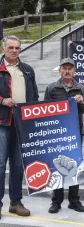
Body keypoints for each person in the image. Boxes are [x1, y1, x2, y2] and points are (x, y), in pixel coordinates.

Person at [45, 58, 84, 214]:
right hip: (57, 134)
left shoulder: (80, 88)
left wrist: (82, 101)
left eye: (70, 68)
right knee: (57, 165)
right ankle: (56, 201)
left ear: (74, 71)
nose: (67, 71)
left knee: (75, 165)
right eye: (64, 68)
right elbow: (45, 112)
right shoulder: (51, 88)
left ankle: (74, 200)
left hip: (74, 134)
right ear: (60, 70)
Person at [0, 35, 37, 219]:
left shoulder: (28, 70)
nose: (14, 50)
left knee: (17, 165)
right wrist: (2, 100)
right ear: (3, 48)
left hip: (22, 124)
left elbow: (35, 96)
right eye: (11, 47)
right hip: (2, 123)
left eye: (17, 48)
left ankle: (16, 202)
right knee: (0, 165)